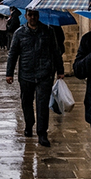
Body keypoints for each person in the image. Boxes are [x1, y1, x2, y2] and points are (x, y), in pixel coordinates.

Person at [6, 9, 65, 147]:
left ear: (38, 16)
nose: (32, 17)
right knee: (26, 101)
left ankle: (42, 133)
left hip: (44, 73)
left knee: (42, 104)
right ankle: (29, 123)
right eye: (30, 15)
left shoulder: (48, 31)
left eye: (35, 15)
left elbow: (56, 51)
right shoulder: (19, 33)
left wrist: (60, 70)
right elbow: (13, 54)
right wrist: (9, 73)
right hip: (26, 73)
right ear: (26, 16)